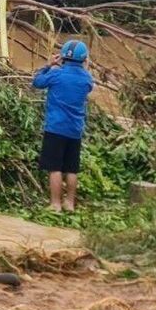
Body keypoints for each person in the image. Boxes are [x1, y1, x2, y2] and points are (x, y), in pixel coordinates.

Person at [31, 40, 94, 213]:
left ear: (62, 57)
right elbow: (88, 85)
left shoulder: (56, 74)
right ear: (84, 59)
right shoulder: (87, 79)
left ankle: (55, 204)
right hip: (75, 131)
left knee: (55, 168)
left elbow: (37, 82)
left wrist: (48, 65)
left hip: (56, 128)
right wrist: (85, 67)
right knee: (72, 169)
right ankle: (70, 203)